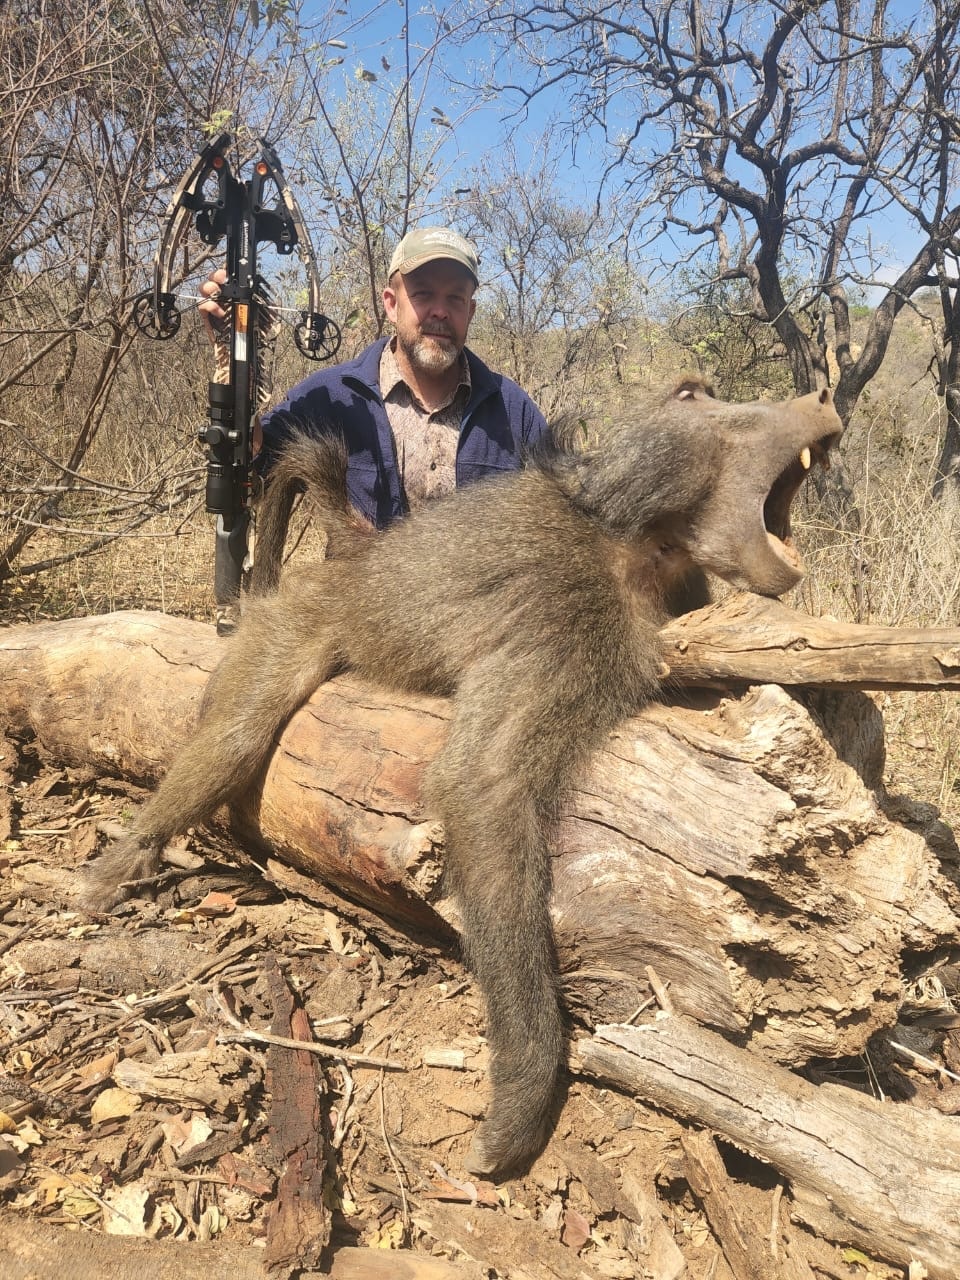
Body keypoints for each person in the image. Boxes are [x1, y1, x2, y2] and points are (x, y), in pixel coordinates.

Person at [200, 225, 551, 530]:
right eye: (423, 294)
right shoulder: (333, 396)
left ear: (470, 311)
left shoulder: (512, 410)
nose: (440, 311)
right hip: (360, 605)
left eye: (456, 298)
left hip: (481, 608)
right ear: (391, 303)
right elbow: (255, 474)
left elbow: (557, 517)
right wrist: (238, 368)